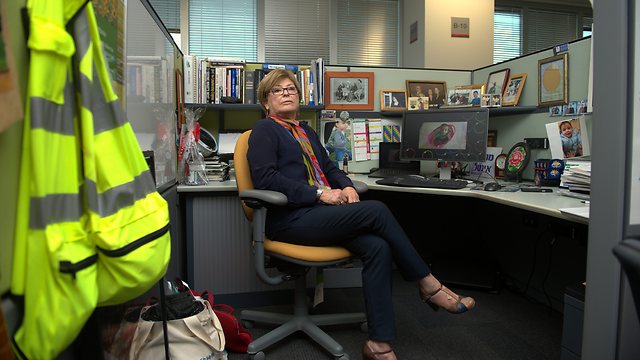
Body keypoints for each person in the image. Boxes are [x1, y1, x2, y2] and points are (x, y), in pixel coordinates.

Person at [248, 69, 475, 360]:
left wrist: (346, 186)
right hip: (290, 219)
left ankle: (379, 345)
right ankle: (428, 284)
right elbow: (266, 180)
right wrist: (321, 193)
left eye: (291, 88)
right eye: (277, 90)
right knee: (377, 210)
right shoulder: (265, 131)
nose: (287, 93)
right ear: (265, 102)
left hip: (317, 215)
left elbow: (329, 169)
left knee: (377, 247)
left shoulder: (305, 131)